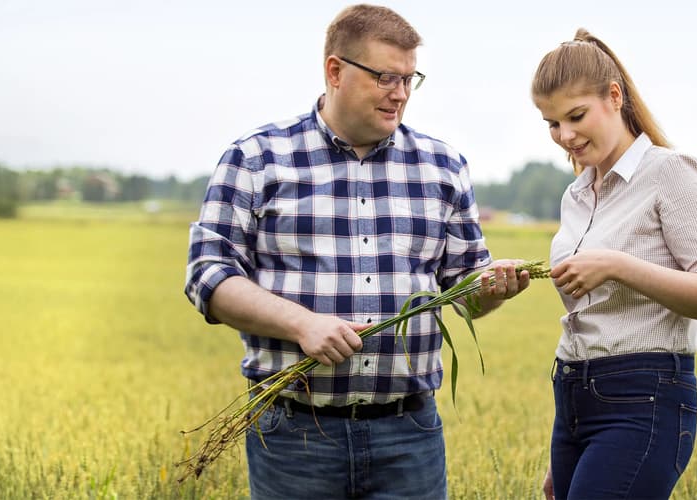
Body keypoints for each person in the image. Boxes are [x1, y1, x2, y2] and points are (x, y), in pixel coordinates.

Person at [183, 5, 531, 499]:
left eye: (411, 79)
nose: (401, 94)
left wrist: (494, 286)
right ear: (335, 70)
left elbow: (463, 291)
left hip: (409, 435)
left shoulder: (443, 166)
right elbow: (208, 277)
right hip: (293, 435)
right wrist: (301, 324)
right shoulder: (257, 158)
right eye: (387, 77)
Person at [530, 29, 697, 499]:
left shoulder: (671, 173)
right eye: (551, 123)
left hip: (644, 399)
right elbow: (588, 326)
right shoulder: (577, 194)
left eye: (576, 116)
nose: (565, 136)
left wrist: (617, 265)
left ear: (614, 96)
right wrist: (567, 445)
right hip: (573, 398)